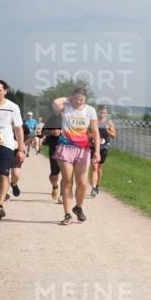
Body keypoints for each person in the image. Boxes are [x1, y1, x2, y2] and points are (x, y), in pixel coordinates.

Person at [52, 87, 100, 225]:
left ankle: (78, 207)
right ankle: (67, 215)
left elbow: (95, 132)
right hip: (65, 147)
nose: (79, 102)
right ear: (72, 97)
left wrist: (96, 151)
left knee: (83, 183)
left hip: (83, 150)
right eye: (77, 99)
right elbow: (55, 102)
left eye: (82, 100)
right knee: (67, 180)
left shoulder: (90, 110)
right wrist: (69, 98)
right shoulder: (65, 107)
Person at [0, 79, 26, 220]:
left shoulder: (12, 107)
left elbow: (18, 128)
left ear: (5, 91)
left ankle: (0, 205)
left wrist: (21, 148)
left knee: (3, 175)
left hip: (5, 145)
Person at [90, 105, 117, 197]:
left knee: (99, 168)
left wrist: (107, 130)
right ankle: (93, 188)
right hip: (93, 146)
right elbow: (88, 132)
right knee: (94, 167)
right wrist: (90, 135)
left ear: (107, 113)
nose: (102, 114)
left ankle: (97, 186)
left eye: (104, 113)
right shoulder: (93, 121)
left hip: (104, 147)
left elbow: (113, 135)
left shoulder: (109, 122)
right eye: (101, 112)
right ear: (97, 112)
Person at [41, 109, 64, 202]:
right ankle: (55, 186)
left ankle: (62, 195)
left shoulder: (72, 118)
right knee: (54, 175)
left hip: (68, 147)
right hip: (55, 147)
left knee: (66, 174)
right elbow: (43, 132)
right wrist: (52, 131)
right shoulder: (53, 117)